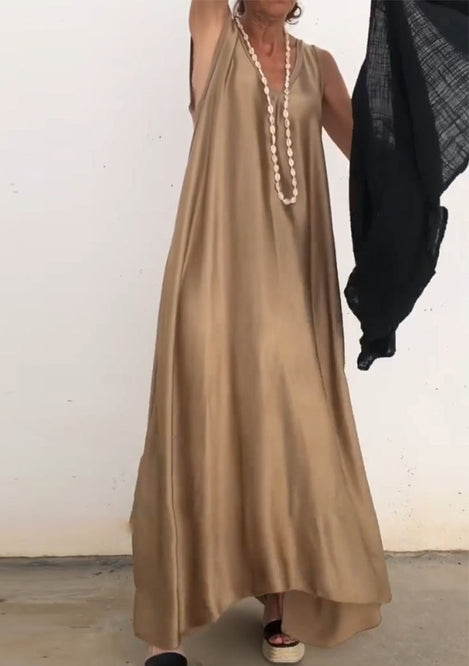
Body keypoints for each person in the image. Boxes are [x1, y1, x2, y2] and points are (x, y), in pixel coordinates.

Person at [130, 2, 392, 665]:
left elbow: (371, 159)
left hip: (292, 283)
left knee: (289, 432)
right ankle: (166, 626)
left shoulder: (318, 66)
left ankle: (282, 599)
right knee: (197, 421)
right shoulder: (215, 37)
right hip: (214, 269)